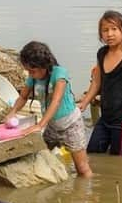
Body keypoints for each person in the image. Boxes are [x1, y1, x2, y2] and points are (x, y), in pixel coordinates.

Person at [5, 41, 92, 177]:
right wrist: (12, 113)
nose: (30, 74)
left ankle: (86, 195)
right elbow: (22, 97)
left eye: (32, 71)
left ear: (44, 66)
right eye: (28, 70)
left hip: (71, 126)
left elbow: (56, 101)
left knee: (82, 169)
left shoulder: (59, 75)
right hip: (51, 125)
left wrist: (40, 125)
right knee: (40, 156)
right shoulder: (33, 78)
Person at [78, 11, 122, 155]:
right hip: (105, 116)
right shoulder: (102, 53)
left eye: (114, 29)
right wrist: (84, 103)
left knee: (118, 158)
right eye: (105, 30)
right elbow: (96, 82)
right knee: (92, 153)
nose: (109, 34)